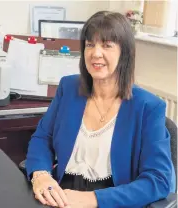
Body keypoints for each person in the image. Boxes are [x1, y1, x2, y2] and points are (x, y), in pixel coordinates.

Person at [25, 11, 176, 208]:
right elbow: (42, 137)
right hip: (61, 195)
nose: (96, 53)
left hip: (112, 200)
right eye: (90, 44)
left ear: (125, 53)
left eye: (106, 45)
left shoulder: (148, 107)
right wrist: (41, 175)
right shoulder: (68, 88)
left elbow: (159, 180)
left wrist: (93, 199)